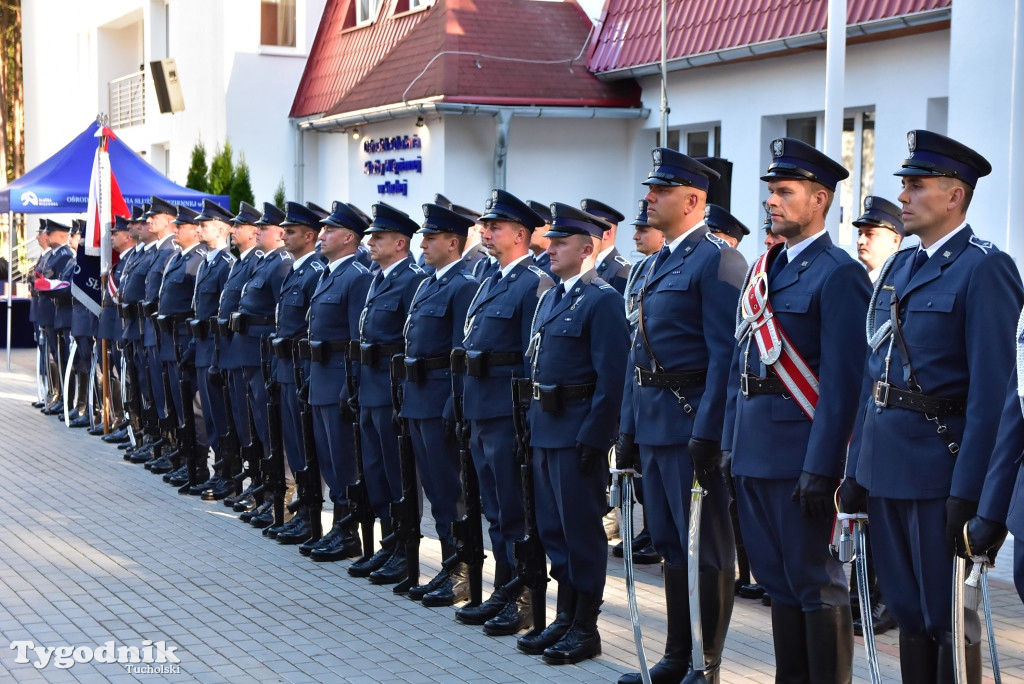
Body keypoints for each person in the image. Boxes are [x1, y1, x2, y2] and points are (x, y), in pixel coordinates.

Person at [841, 130, 1024, 683]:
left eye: (915, 186)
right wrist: (855, 471)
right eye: (903, 185)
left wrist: (975, 497)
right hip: (886, 469)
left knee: (948, 622)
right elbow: (873, 374)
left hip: (940, 475)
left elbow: (996, 398)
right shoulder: (899, 268)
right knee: (909, 615)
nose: (902, 196)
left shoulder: (985, 268)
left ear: (953, 196)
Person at [727, 138, 869, 683]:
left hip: (801, 458)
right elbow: (744, 364)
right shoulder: (766, 269)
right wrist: (729, 444)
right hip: (755, 452)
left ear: (820, 199)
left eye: (785, 192)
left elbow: (842, 385)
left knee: (817, 584)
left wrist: (824, 466)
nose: (772, 202)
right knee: (776, 583)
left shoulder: (839, 274)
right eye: (771, 192)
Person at [616, 148, 746, 684]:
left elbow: (725, 356)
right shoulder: (654, 263)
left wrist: (710, 431)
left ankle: (706, 663)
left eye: (660, 191)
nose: (648, 198)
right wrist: (626, 431)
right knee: (670, 545)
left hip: (692, 424)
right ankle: (676, 654)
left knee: (706, 551)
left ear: (693, 200)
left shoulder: (718, 261)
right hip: (653, 424)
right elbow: (636, 353)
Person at [520, 202, 628, 664]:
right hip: (546, 428)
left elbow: (613, 378)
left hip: (577, 432)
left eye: (560, 243)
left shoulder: (602, 300)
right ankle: (564, 617)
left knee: (582, 532)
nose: (550, 249)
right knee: (554, 529)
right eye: (551, 241)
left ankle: (586, 626)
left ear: (587, 248)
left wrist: (595, 437)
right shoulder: (551, 296)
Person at [454, 189, 553, 635]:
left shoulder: (533, 282)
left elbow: (534, 355)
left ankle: (526, 595)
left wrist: (527, 417)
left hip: (508, 413)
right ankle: (504, 587)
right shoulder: (492, 278)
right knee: (494, 507)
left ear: (520, 234)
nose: (486, 233)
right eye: (486, 226)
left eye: (495, 227)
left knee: (515, 509)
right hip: (481, 408)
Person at [401, 202, 478, 606]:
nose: (423, 244)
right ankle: (450, 563)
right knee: (434, 490)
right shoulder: (430, 282)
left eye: (431, 238)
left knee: (451, 491)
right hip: (417, 399)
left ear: (453, 242)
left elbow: (458, 354)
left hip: (439, 402)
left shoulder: (463, 285)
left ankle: (464, 570)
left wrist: (453, 405)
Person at [351, 203, 429, 583]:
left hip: (392, 389)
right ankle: (389, 543)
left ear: (400, 243)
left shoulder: (411, 279)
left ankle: (405, 548)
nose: (371, 243)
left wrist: (401, 393)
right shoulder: (377, 277)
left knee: (399, 476)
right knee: (375, 472)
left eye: (378, 237)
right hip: (370, 387)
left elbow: (409, 341)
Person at [302, 200, 372, 561]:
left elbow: (356, 336)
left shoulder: (356, 276)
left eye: (330, 230)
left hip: (338, 378)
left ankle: (348, 532)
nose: (323, 234)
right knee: (329, 460)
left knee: (344, 461)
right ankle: (338, 525)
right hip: (320, 378)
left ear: (349, 238)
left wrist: (351, 383)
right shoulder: (329, 273)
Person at [847, 195, 905, 636]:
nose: (863, 239)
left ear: (896, 239)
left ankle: (882, 599)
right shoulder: (862, 283)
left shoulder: (898, 284)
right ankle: (860, 593)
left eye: (872, 233)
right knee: (858, 514)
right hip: (862, 418)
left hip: (896, 421)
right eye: (861, 232)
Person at [268, 201, 328, 544]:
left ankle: (311, 517)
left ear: (309, 235)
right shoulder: (295, 269)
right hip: (286, 368)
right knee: (294, 444)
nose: (283, 235)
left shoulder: (315, 270)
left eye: (290, 231)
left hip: (302, 370)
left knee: (307, 448)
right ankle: (302, 511)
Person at [235, 202, 293, 527]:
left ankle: (281, 500)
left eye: (264, 227)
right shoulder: (266, 262)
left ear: (280, 233)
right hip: (251, 355)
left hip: (264, 358)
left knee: (273, 431)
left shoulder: (281, 264)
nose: (258, 230)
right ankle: (271, 494)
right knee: (260, 427)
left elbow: (279, 316)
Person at [613, 199, 662, 566]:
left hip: (672, 402)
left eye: (643, 229)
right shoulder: (642, 272)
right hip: (639, 392)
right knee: (646, 483)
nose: (636, 236)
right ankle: (652, 532)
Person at [189, 200, 238, 500]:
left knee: (221, 417)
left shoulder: (225, 264)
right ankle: (219, 470)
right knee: (207, 416)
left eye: (204, 224)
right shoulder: (207, 261)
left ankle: (227, 475)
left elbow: (223, 312)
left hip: (216, 349)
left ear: (221, 228)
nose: (199, 229)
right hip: (202, 347)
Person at [581, 198, 630, 295]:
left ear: (607, 234)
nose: (583, 233)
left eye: (590, 228)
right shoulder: (582, 262)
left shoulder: (621, 269)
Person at [855, 195, 905, 282]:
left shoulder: (902, 283)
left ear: (895, 241)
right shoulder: (854, 279)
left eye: (870, 234)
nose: (860, 241)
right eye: (860, 233)